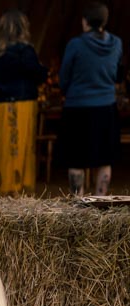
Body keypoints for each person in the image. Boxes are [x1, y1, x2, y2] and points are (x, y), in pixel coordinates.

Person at [60, 2, 125, 196]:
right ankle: (100, 201)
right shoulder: (117, 43)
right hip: (106, 106)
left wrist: (69, 90)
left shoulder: (76, 44)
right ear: (104, 21)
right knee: (104, 159)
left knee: (76, 160)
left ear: (85, 21)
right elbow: (118, 74)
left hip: (77, 107)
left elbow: (64, 77)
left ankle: (77, 204)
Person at [0, 10, 49, 196]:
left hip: (0, 105)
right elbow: (38, 74)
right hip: (22, 105)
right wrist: (43, 70)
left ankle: (1, 187)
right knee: (20, 148)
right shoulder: (25, 51)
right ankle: (18, 188)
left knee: (3, 148)